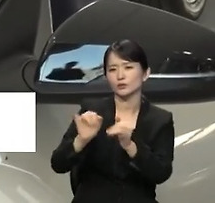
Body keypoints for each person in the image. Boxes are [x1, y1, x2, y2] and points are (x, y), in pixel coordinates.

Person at [50, 39, 175, 202]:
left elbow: (161, 173)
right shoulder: (91, 112)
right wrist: (81, 140)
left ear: (145, 73)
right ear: (106, 75)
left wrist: (131, 146)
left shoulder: (160, 120)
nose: (120, 76)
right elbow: (58, 164)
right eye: (112, 69)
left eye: (128, 67)